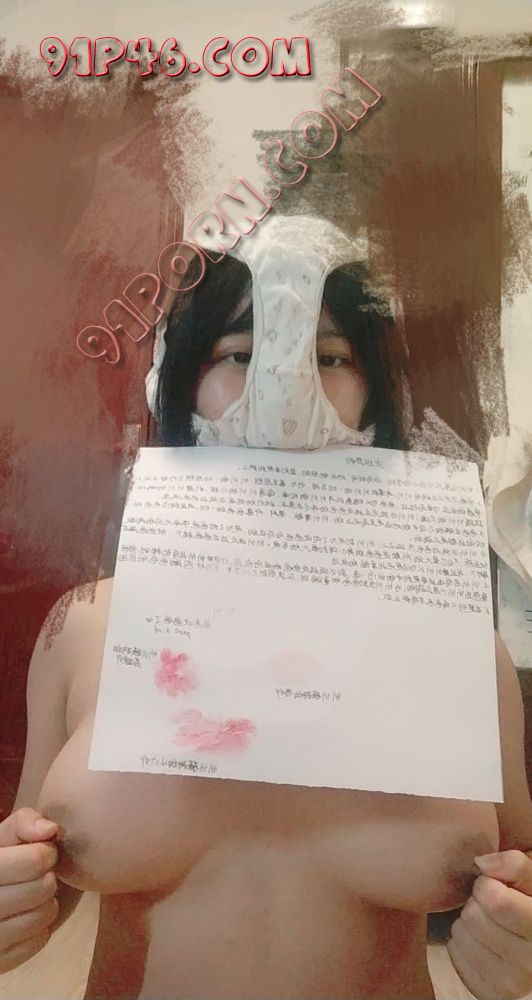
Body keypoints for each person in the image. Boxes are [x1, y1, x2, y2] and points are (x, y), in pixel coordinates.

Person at [2, 214, 532, 1000]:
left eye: (331, 357)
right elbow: (36, 861)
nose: (287, 401)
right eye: (240, 354)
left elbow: (519, 868)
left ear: (376, 392)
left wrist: (517, 936)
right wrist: (18, 898)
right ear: (180, 380)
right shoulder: (81, 626)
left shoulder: (463, 652)